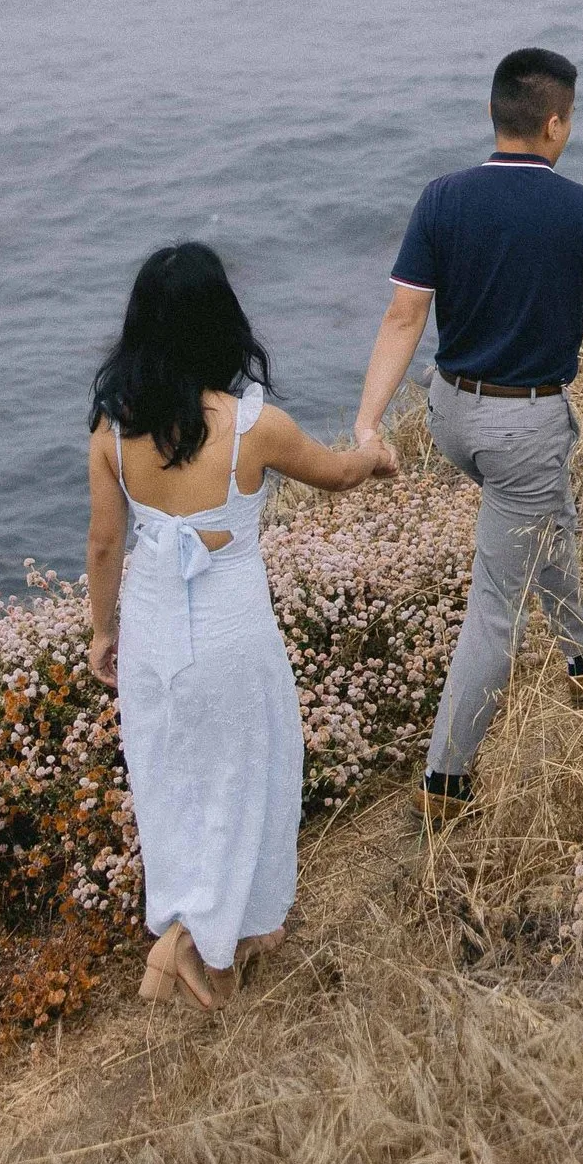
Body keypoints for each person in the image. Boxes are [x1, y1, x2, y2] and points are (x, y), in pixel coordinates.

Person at [353, 45, 583, 808]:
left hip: (450, 413)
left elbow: (404, 314)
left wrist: (369, 420)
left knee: (546, 518)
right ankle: (446, 781)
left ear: (492, 115)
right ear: (556, 124)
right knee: (494, 609)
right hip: (523, 428)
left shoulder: (441, 198)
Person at [87, 240, 396, 1010]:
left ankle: (232, 932)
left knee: (173, 781)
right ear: (219, 324)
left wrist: (102, 630)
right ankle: (189, 943)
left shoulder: (110, 432)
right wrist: (373, 451)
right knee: (248, 772)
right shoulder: (254, 427)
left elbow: (102, 543)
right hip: (229, 632)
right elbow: (338, 476)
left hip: (154, 633)